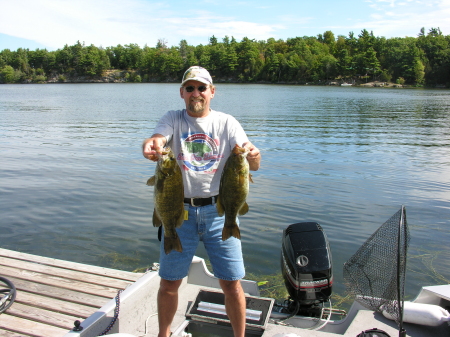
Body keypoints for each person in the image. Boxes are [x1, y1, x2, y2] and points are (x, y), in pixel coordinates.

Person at [142, 66, 261, 337]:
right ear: (182, 93)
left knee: (232, 284)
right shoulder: (173, 119)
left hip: (220, 212)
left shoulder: (227, 123)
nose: (196, 93)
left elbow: (251, 159)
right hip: (178, 212)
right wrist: (150, 145)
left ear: (212, 92)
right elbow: (156, 138)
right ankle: (164, 334)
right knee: (169, 283)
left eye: (202, 88)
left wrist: (253, 156)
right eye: (190, 88)